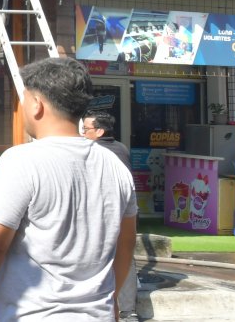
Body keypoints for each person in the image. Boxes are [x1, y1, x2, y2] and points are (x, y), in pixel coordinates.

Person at [0, 58, 137, 322]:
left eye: (24, 99)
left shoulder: (21, 160)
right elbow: (125, 244)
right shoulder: (115, 166)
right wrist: (111, 300)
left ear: (37, 104)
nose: (22, 106)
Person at [82, 111, 140, 321]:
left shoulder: (93, 151)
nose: (83, 133)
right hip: (123, 212)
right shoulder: (121, 148)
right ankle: (128, 311)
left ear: (99, 131)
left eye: (85, 129)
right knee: (125, 255)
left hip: (102, 213)